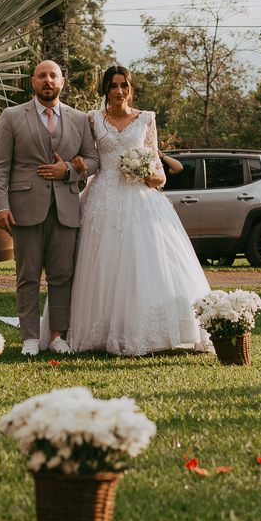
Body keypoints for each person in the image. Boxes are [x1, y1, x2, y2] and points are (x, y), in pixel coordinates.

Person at [65, 66, 213, 356]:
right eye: (113, 86)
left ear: (131, 88)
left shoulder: (146, 119)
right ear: (105, 89)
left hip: (140, 198)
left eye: (124, 85)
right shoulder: (92, 119)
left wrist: (152, 177)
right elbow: (85, 154)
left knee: (143, 262)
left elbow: (160, 171)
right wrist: (78, 161)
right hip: (102, 197)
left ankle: (152, 329)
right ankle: (98, 329)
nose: (119, 91)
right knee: (100, 263)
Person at [0, 60, 99, 356]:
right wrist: (0, 205)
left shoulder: (79, 119)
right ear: (33, 82)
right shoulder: (12, 116)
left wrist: (69, 171)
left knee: (62, 275)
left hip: (65, 208)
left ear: (62, 82)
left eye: (53, 76)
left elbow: (93, 160)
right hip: (24, 208)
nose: (47, 80)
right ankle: (29, 337)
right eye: (42, 76)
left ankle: (57, 337)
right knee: (27, 275)